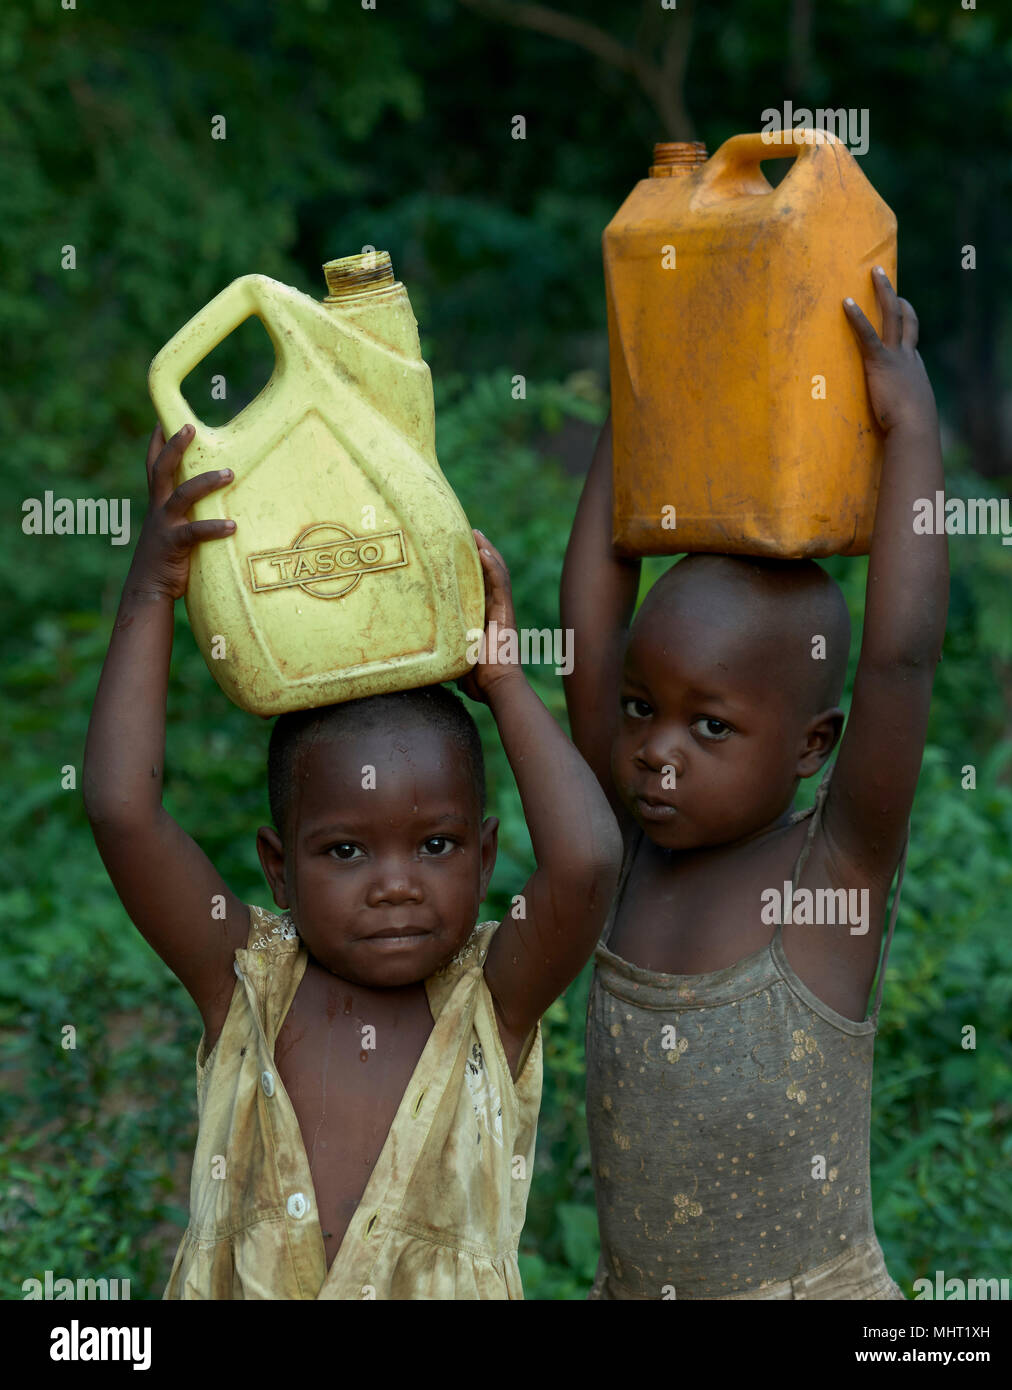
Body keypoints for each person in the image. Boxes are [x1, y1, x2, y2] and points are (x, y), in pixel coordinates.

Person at [83, 423, 621, 1299]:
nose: (397, 884)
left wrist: (504, 682)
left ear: (486, 859)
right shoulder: (246, 984)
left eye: (437, 845)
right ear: (278, 869)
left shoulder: (494, 1003)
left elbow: (590, 861)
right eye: (344, 850)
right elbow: (120, 807)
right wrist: (152, 591)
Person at [560, 268, 948, 1299]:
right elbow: (590, 629)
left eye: (711, 725)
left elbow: (899, 659)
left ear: (812, 746)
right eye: (642, 708)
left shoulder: (835, 871)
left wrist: (909, 431)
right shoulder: (625, 842)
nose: (655, 749)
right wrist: (637, 399)